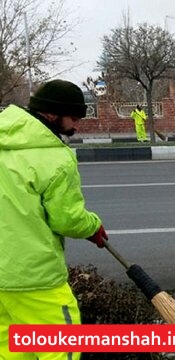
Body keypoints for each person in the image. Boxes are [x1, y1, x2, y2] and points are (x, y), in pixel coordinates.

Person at [0, 79, 109, 360]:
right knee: (62, 349)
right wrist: (93, 226)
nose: (76, 126)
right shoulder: (55, 158)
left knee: (10, 350)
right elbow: (67, 220)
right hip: (33, 278)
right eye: (73, 118)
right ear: (52, 114)